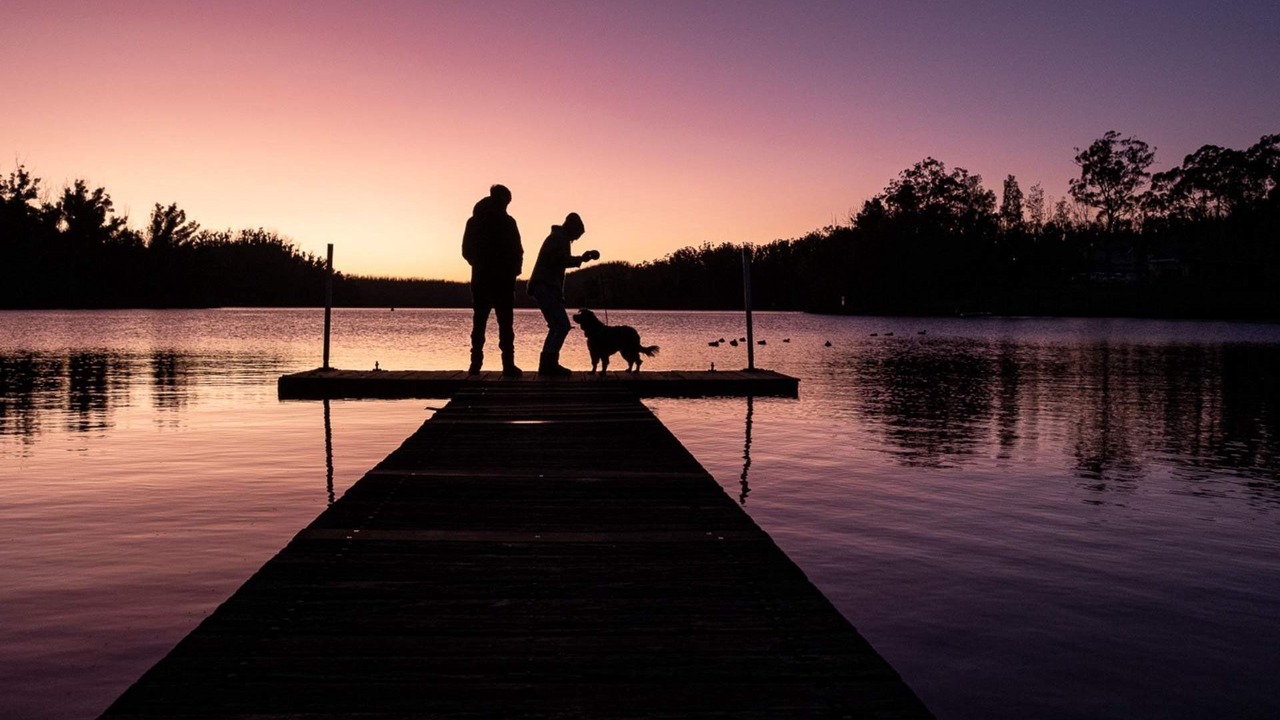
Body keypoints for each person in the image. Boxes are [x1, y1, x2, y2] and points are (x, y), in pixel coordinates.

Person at [526, 212, 599, 376]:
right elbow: (560, 261)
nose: (576, 238)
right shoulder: (559, 239)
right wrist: (582, 258)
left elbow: (557, 264)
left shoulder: (558, 238)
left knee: (556, 326)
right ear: (573, 228)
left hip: (544, 287)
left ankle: (547, 365)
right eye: (577, 234)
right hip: (544, 286)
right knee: (562, 325)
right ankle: (549, 365)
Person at [461, 184, 523, 376]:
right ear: (502, 200)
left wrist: (479, 265)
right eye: (506, 202)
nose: (507, 206)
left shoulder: (474, 221)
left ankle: (476, 366)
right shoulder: (507, 222)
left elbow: (466, 251)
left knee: (480, 322)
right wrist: (512, 270)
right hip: (500, 280)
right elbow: (518, 250)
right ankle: (507, 366)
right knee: (504, 324)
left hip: (483, 279)